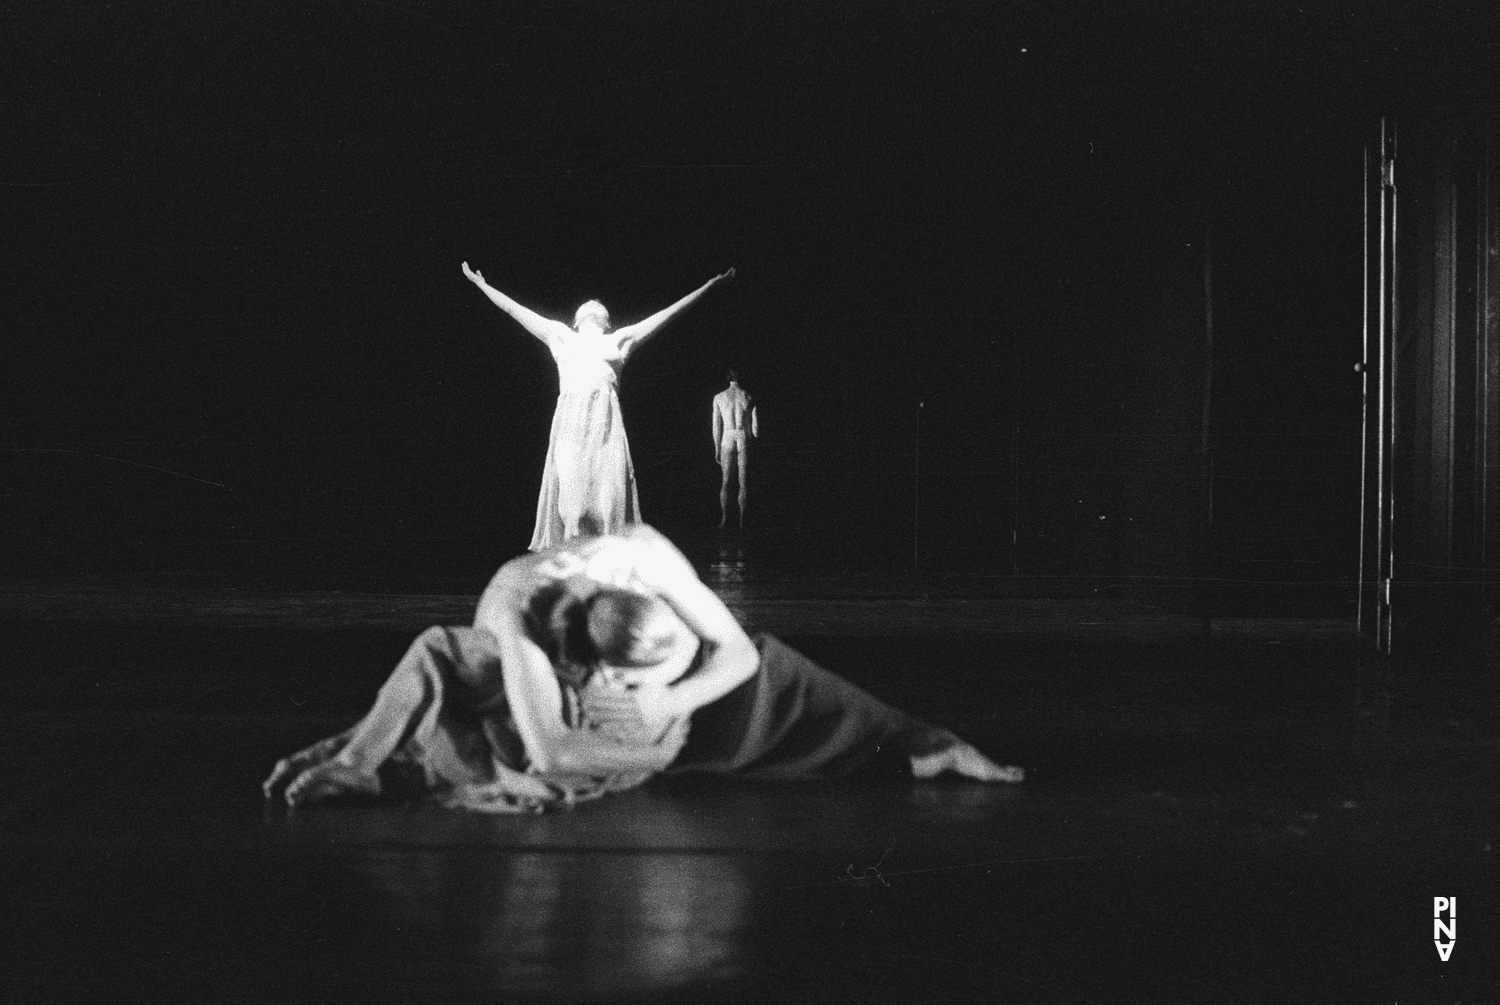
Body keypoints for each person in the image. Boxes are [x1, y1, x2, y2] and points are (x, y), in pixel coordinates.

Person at [263, 526, 1024, 813]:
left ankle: (924, 742)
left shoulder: (644, 555)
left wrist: (671, 695)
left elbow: (734, 650)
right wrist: (647, 751)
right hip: (538, 704)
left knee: (780, 671)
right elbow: (552, 749)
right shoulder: (515, 610)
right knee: (450, 665)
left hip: (650, 702)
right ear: (597, 661)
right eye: (645, 662)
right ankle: (365, 759)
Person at [462, 263, 736, 550]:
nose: (593, 303)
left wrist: (709, 286)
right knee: (572, 504)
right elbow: (512, 309)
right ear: (576, 321)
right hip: (571, 432)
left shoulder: (620, 340)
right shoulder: (560, 336)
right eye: (587, 304)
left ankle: (606, 568)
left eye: (599, 305)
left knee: (608, 500)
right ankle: (572, 564)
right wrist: (481, 284)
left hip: (606, 435)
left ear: (608, 323)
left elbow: (669, 314)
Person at [712, 370, 758, 529]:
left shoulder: (719, 397)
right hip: (742, 437)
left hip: (727, 437)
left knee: (725, 481)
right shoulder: (748, 397)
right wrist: (750, 443)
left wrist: (717, 448)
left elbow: (716, 427)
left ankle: (724, 521)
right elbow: (755, 429)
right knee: (743, 481)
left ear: (728, 379)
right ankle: (742, 522)